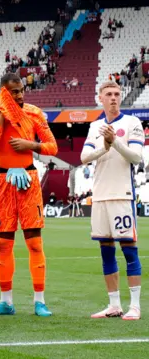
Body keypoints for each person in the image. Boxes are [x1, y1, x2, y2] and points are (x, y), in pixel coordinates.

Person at [0, 73, 57, 317]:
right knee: (3, 244)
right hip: (3, 180)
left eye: (22, 90)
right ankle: (6, 302)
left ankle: (40, 301)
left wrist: (31, 146)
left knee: (34, 242)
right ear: (4, 92)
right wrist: (2, 118)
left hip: (29, 179)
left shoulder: (34, 113)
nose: (20, 94)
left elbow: (52, 147)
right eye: (14, 91)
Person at [81, 81, 142, 320]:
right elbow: (84, 157)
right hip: (100, 196)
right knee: (106, 251)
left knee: (129, 250)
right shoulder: (95, 125)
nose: (114, 98)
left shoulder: (132, 123)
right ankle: (114, 305)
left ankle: (135, 306)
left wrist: (114, 141)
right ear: (101, 98)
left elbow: (136, 157)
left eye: (117, 94)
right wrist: (103, 147)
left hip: (122, 195)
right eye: (109, 94)